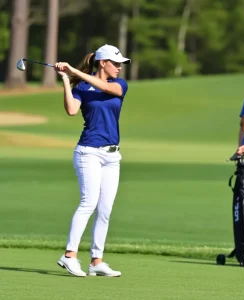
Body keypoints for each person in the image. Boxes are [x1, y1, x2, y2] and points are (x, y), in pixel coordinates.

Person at [55, 44, 131, 277]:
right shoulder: (82, 88)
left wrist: (75, 72)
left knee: (105, 209)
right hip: (88, 152)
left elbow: (110, 90)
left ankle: (96, 261)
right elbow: (71, 109)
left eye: (120, 64)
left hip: (112, 156)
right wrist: (67, 80)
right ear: (102, 63)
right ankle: (69, 256)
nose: (119, 67)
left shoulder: (120, 85)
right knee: (89, 202)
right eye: (115, 63)